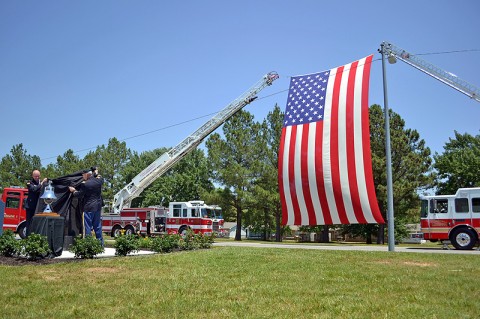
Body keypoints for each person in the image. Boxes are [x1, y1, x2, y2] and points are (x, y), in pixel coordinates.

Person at [68, 167, 104, 245]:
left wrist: (73, 190)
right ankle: (101, 244)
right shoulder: (99, 181)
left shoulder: (85, 184)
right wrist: (96, 173)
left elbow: (79, 194)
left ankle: (87, 244)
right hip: (97, 207)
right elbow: (100, 177)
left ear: (87, 174)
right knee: (97, 226)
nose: (82, 177)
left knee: (87, 227)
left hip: (88, 208)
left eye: (83, 175)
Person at [25, 169, 48, 236]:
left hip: (39, 206)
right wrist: (41, 183)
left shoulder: (42, 183)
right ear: (32, 176)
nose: (37, 178)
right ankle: (28, 238)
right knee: (29, 224)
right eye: (35, 176)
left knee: (37, 223)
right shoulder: (29, 183)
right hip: (31, 207)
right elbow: (34, 190)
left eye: (38, 176)